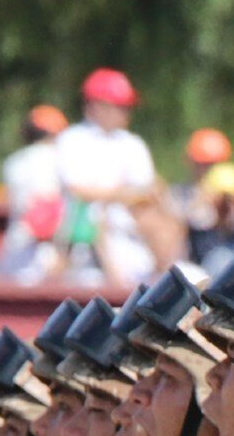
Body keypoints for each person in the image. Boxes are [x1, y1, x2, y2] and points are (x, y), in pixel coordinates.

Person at [55, 68, 169, 286]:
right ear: (97, 106)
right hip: (82, 243)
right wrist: (123, 195)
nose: (126, 113)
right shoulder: (72, 139)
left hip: (131, 238)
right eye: (121, 106)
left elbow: (149, 191)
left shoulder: (132, 144)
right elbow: (78, 190)